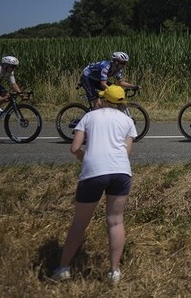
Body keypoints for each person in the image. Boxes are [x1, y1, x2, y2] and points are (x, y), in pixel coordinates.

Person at [50, 85, 137, 284]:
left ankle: (64, 268)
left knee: (80, 222)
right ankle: (114, 271)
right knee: (115, 221)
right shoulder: (128, 121)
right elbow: (126, 153)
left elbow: (74, 148)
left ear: (104, 100)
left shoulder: (89, 117)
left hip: (94, 172)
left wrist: (84, 157)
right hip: (121, 172)